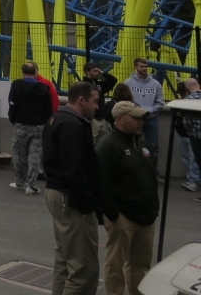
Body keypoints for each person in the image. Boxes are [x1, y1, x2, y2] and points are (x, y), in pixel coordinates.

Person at [42, 81, 101, 295]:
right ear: (82, 100)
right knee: (83, 269)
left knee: (65, 262)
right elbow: (74, 169)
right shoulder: (73, 125)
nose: (97, 107)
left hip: (57, 193)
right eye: (95, 101)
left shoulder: (56, 118)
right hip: (71, 198)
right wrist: (87, 205)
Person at [97, 100, 159, 295]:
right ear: (120, 119)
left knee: (141, 265)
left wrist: (154, 207)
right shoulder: (107, 145)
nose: (141, 122)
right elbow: (100, 182)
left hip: (146, 217)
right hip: (123, 217)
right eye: (136, 118)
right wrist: (112, 213)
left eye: (142, 118)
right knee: (115, 265)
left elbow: (151, 177)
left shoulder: (142, 144)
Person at [8, 61, 52, 195]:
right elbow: (48, 108)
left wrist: (13, 119)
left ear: (23, 72)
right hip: (39, 125)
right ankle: (31, 185)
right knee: (35, 155)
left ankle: (20, 181)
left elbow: (12, 103)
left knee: (19, 154)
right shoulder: (44, 88)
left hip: (21, 123)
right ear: (35, 72)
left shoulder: (17, 85)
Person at [124, 58, 164, 169]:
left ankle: (152, 171)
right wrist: (137, 111)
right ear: (135, 67)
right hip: (135, 118)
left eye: (146, 66)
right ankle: (135, 170)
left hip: (151, 118)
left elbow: (160, 102)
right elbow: (126, 101)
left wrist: (148, 111)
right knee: (133, 144)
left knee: (153, 146)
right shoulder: (128, 83)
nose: (144, 69)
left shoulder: (155, 84)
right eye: (141, 66)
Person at [83, 61, 116, 144]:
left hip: (102, 118)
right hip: (92, 118)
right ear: (87, 71)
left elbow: (113, 80)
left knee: (102, 142)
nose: (97, 73)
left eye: (98, 71)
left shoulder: (99, 85)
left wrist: (103, 73)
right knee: (91, 141)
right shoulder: (84, 85)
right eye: (94, 71)